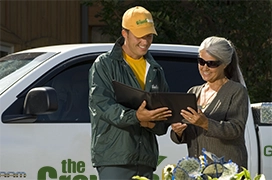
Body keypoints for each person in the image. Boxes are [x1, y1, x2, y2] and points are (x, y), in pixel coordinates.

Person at [88, 6, 172, 180]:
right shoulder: (104, 65)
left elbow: (164, 116)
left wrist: (154, 123)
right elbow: (102, 105)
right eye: (140, 36)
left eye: (149, 36)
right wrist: (136, 117)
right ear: (124, 33)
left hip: (146, 160)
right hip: (114, 159)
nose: (145, 41)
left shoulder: (156, 70)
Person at [170, 36, 248, 170]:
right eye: (201, 61)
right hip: (197, 171)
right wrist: (178, 132)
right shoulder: (193, 92)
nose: (204, 68)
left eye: (211, 63)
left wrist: (205, 123)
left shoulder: (236, 91)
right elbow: (189, 134)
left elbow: (236, 129)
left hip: (226, 172)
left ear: (225, 64)